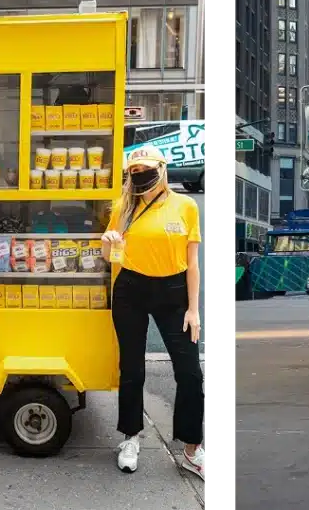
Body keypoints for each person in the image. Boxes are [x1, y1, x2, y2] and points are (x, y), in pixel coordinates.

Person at [100, 144, 211, 480]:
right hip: (131, 289)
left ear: (162, 170)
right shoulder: (123, 207)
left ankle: (192, 449)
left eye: (145, 169)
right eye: (134, 171)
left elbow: (192, 263)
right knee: (131, 369)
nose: (140, 175)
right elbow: (112, 257)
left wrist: (194, 309)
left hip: (173, 291)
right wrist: (107, 241)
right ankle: (130, 438)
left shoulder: (185, 206)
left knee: (190, 373)